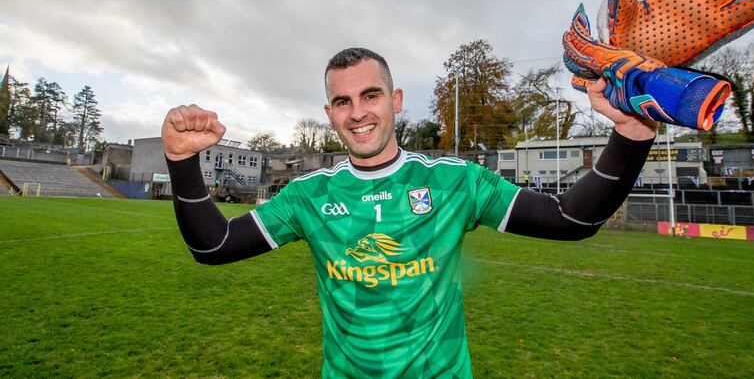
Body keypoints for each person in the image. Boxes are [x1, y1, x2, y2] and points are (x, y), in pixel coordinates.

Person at [161, 47, 657, 378]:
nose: (358, 112)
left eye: (370, 95)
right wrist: (183, 161)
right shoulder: (306, 195)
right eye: (342, 101)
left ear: (395, 101)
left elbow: (571, 220)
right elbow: (214, 247)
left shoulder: (453, 181)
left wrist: (631, 133)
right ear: (330, 112)